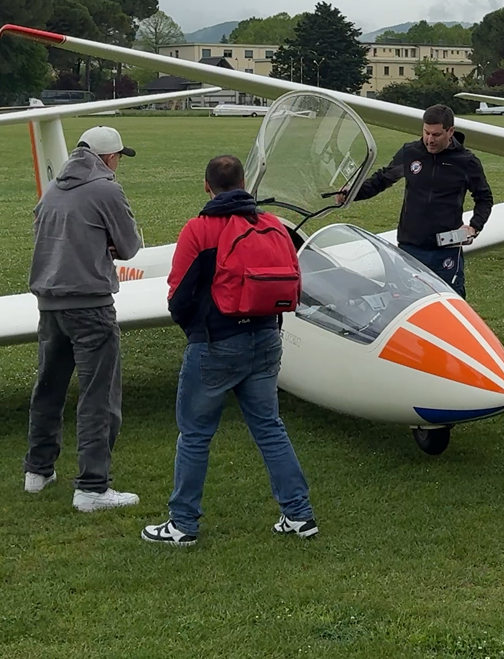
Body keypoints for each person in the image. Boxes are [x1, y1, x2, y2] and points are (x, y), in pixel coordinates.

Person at [145, 155, 316, 546]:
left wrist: (196, 329)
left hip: (216, 343)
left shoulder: (199, 230)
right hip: (266, 339)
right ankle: (299, 515)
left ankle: (183, 524)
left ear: (207, 186)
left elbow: (179, 297)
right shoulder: (274, 226)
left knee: (195, 434)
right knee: (270, 429)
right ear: (245, 183)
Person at [24, 125, 144, 512]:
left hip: (49, 305)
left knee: (49, 387)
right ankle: (93, 487)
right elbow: (129, 246)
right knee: (98, 395)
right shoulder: (106, 188)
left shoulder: (54, 190)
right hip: (90, 305)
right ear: (109, 158)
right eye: (118, 159)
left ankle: (38, 470)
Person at [347, 104, 493, 296]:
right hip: (410, 248)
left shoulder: (466, 162)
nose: (430, 140)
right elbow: (382, 180)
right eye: (426, 133)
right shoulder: (411, 153)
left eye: (436, 135)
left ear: (450, 132)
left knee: (449, 307)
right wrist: (352, 193)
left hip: (446, 251)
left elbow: (484, 198)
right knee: (406, 303)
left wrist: (474, 227)